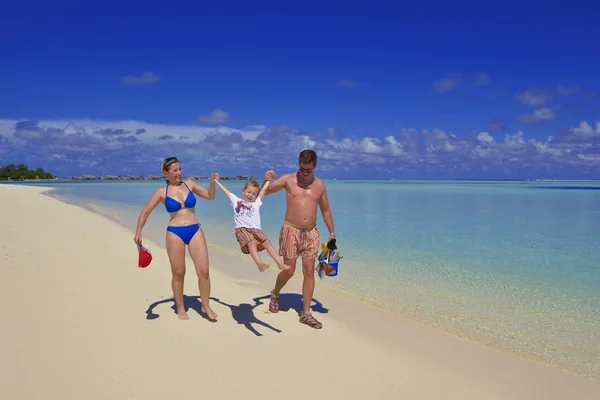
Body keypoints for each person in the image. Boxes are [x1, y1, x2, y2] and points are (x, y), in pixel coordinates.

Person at [134, 157, 218, 321]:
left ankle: (205, 305)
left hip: (195, 229)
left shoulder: (190, 184)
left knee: (204, 271)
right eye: (175, 170)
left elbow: (210, 196)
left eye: (180, 169)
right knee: (178, 273)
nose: (179, 173)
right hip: (175, 232)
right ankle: (180, 307)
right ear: (165, 173)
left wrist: (213, 183)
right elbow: (145, 212)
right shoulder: (161, 192)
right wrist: (138, 231)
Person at [261, 149, 336, 329]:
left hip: (311, 233)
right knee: (289, 270)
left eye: (308, 170)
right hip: (291, 230)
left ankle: (306, 313)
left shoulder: (320, 186)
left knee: (309, 272)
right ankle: (275, 293)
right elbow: (264, 192)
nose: (304, 173)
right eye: (302, 169)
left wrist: (332, 232)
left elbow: (325, 210)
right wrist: (266, 180)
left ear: (314, 167)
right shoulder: (288, 180)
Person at [214, 177, 290, 272]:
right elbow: (225, 191)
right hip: (241, 229)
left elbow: (263, 191)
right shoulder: (236, 201)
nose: (250, 195)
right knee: (251, 242)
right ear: (243, 191)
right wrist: (216, 181)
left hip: (256, 229)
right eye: (249, 192)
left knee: (267, 243)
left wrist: (268, 180)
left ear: (256, 196)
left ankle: (280, 264)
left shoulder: (256, 203)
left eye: (253, 194)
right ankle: (260, 264)